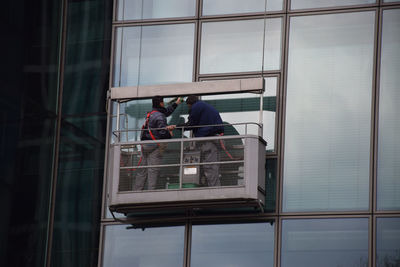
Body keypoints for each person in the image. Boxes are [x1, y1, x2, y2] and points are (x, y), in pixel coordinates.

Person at [133, 95, 181, 190]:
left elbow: (166, 112)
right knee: (153, 171)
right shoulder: (160, 116)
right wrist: (170, 133)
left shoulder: (152, 113)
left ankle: (136, 191)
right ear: (161, 103)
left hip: (144, 145)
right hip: (154, 146)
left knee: (142, 171)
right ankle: (151, 193)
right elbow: (163, 133)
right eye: (163, 102)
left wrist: (176, 103)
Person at [178, 95, 224, 187]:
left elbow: (191, 124)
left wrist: (177, 127)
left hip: (207, 140)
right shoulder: (205, 106)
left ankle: (214, 190)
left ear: (190, 104)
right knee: (212, 167)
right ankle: (214, 187)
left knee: (209, 168)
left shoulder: (196, 107)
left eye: (188, 106)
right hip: (213, 138)